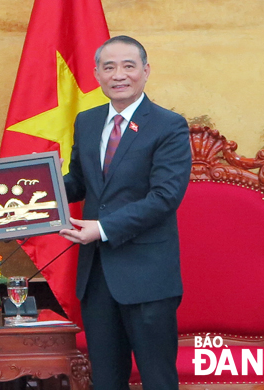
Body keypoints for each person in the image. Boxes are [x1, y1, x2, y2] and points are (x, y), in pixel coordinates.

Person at [59, 36, 192, 390]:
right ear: (97, 74)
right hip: (97, 276)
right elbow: (81, 182)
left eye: (128, 66)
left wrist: (102, 228)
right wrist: (37, 189)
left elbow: (165, 197)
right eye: (109, 67)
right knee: (106, 380)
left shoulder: (169, 125)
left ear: (145, 72)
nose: (119, 75)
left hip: (147, 277)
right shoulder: (86, 122)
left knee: (157, 379)